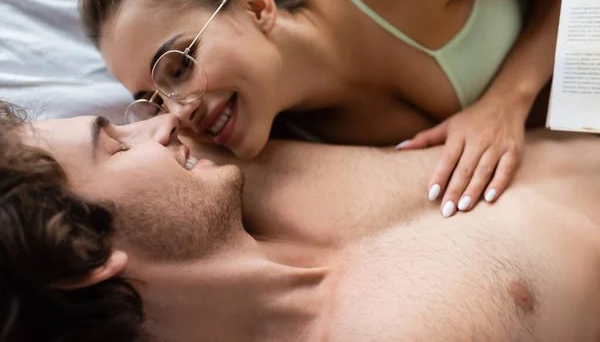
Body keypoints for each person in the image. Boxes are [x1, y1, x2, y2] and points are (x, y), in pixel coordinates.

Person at [2, 99, 600, 342]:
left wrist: (508, 96)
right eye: (114, 145)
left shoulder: (226, 168)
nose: (154, 122)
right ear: (86, 255)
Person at [79, 0, 565, 216]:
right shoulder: (278, 144)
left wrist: (508, 100)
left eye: (179, 66)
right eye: (153, 100)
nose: (179, 111)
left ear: (256, 5)